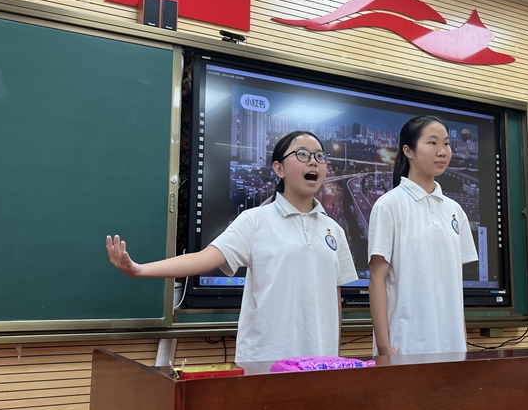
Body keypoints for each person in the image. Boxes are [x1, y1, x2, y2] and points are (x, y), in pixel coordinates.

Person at [107, 131, 358, 363]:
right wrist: (140, 270)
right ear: (278, 168)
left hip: (321, 363)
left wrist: (334, 356)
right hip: (265, 362)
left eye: (320, 156)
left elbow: (334, 295)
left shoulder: (334, 230)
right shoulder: (255, 220)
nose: (313, 162)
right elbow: (205, 258)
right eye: (302, 154)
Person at [368, 115, 478, 356]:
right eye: (433, 143)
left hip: (451, 347)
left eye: (446, 143)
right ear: (408, 151)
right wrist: (384, 347)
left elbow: (454, 285)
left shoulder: (454, 210)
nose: (442, 151)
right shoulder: (389, 205)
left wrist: (462, 341)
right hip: (405, 345)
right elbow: (377, 279)